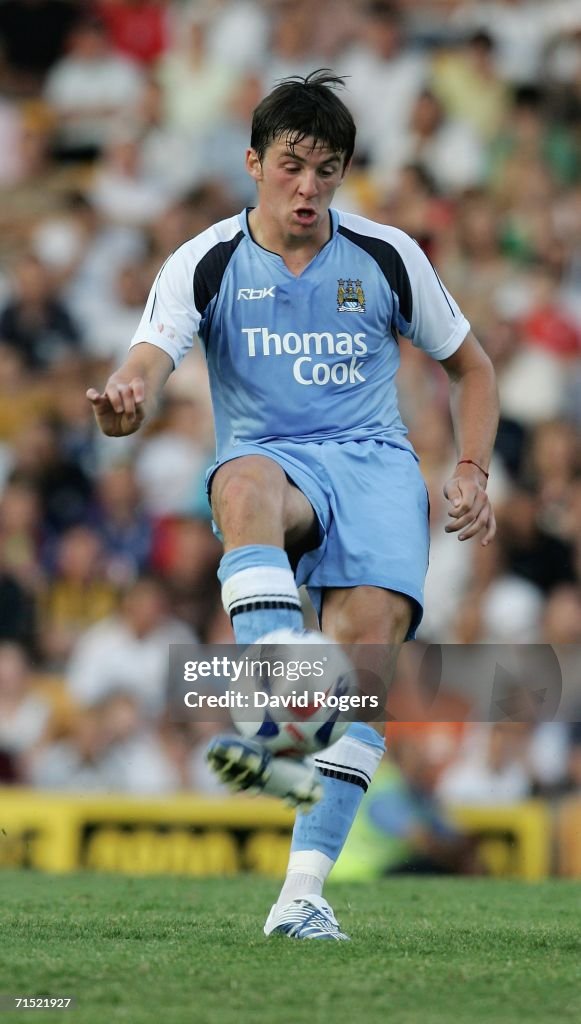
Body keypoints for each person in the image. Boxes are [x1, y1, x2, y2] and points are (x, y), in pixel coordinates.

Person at [87, 71, 498, 940]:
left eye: (327, 169)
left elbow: (472, 367)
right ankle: (276, 695)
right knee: (237, 485)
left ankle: (302, 897)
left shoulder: (386, 255)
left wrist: (469, 466)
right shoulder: (204, 260)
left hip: (379, 469)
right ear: (253, 161)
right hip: (273, 458)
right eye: (292, 165)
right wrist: (126, 397)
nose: (308, 187)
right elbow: (148, 359)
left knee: (366, 674)